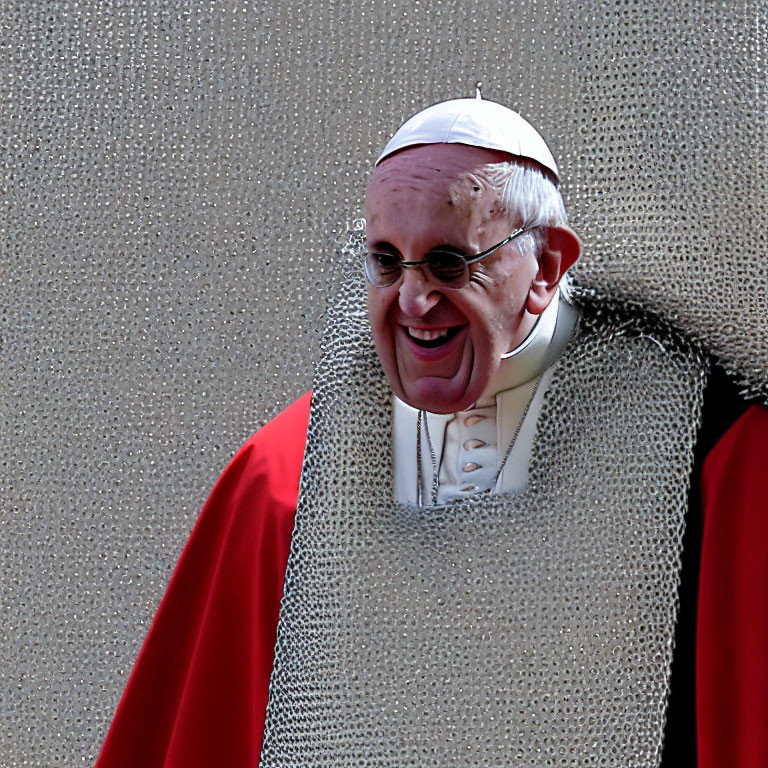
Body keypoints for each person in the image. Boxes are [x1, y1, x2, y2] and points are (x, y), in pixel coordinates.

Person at [95, 96, 768, 768]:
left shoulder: (701, 449)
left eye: (450, 262)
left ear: (547, 267)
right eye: (387, 262)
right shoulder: (287, 476)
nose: (414, 303)